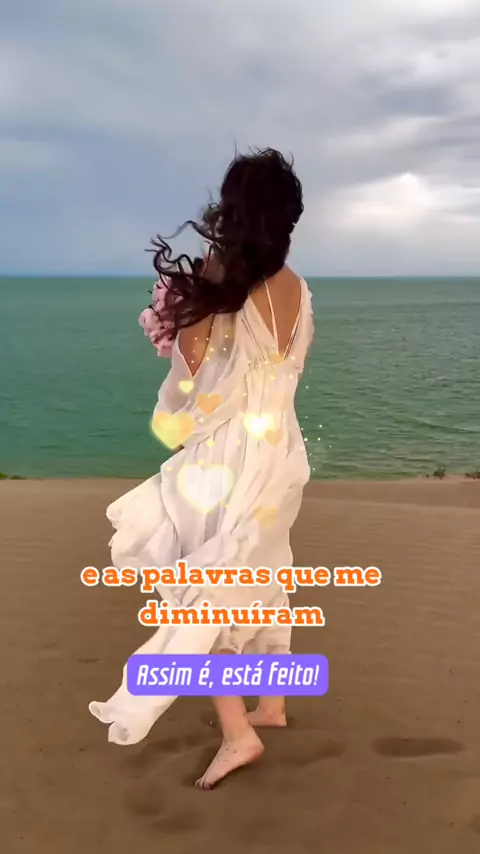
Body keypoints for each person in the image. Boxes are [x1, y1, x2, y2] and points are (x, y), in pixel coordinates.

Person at [89, 147, 315, 789]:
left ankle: (239, 734)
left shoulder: (224, 287)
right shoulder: (299, 289)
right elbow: (285, 373)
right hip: (282, 456)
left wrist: (182, 318)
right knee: (264, 571)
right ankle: (271, 703)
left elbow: (194, 393)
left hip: (227, 465)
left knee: (205, 593)